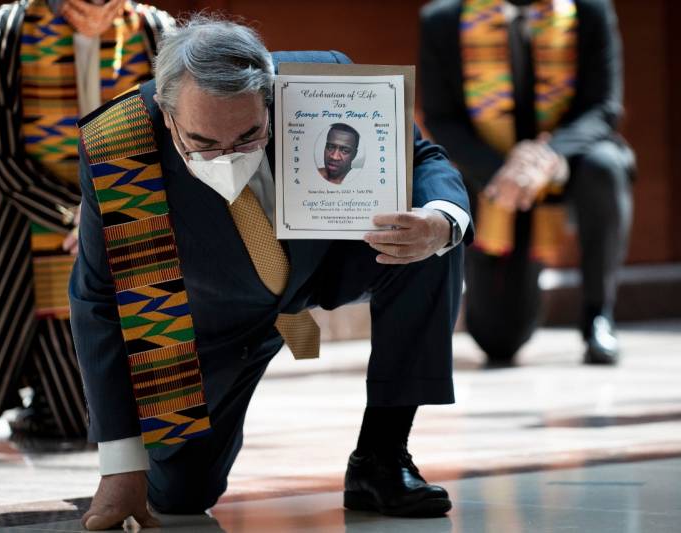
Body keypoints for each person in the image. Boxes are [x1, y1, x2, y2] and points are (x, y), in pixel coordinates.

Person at [69, 16, 472, 529]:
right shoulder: (118, 144)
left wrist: (442, 220)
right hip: (208, 325)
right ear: (168, 117)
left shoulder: (325, 87)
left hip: (321, 265)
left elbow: (422, 159)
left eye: (248, 136)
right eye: (204, 143)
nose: (229, 157)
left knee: (431, 239)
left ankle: (382, 457)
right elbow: (99, 301)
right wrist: (121, 463)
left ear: (271, 98)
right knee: (179, 495)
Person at [0, 0, 174, 442]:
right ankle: (41, 399)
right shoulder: (7, 29)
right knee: (77, 418)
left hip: (132, 214)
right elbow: (3, 155)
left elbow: (171, 134)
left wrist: (111, 208)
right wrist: (76, 215)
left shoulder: (152, 27)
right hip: (40, 222)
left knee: (149, 399)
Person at [420, 0, 634, 366]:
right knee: (497, 341)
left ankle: (599, 313)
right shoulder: (443, 20)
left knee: (606, 167)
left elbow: (603, 106)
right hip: (493, 177)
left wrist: (544, 160)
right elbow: (442, 119)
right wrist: (506, 171)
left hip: (569, 164)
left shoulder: (589, 10)